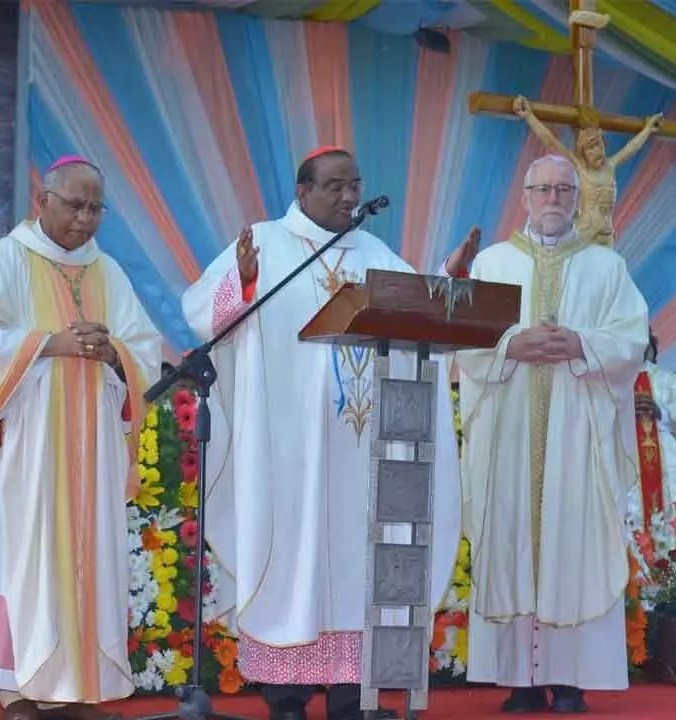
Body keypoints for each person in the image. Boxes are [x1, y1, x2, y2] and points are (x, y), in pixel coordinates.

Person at [182, 147, 464, 720]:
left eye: (354, 184)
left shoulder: (375, 251)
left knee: (359, 559)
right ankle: (286, 697)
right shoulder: (265, 242)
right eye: (334, 185)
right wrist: (241, 278)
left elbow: (421, 310)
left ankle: (350, 696)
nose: (348, 196)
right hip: (291, 442)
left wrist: (447, 284)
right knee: (293, 554)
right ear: (303, 190)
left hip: (363, 447)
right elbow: (204, 315)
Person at [0, 156, 160, 720]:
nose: (86, 217)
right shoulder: (3, 261)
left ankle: (76, 684)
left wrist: (114, 353)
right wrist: (50, 344)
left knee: (84, 558)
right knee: (16, 558)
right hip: (22, 446)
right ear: (42, 201)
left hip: (90, 449)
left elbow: (144, 345)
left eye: (96, 207)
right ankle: (14, 689)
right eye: (76, 204)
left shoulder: (108, 272)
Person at [457, 154, 648, 713]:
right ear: (524, 197)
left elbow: (630, 338)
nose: (553, 199)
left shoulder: (605, 267)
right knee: (512, 537)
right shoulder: (492, 263)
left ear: (577, 199)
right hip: (510, 429)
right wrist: (508, 345)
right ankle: (519, 680)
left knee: (574, 538)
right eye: (542, 189)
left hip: (577, 432)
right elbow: (464, 336)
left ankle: (570, 681)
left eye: (564, 190)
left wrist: (583, 345)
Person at [512, 96, 661, 246]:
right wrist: (529, 116)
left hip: (606, 233)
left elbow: (631, 148)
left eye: (600, 145)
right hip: (584, 234)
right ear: (583, 151)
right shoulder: (578, 167)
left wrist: (647, 130)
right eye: (591, 147)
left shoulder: (610, 166)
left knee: (608, 267)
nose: (598, 151)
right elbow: (550, 141)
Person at [631, 334, 676, 534]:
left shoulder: (669, 380)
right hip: (624, 461)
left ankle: (673, 564)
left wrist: (663, 413)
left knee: (672, 521)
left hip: (667, 463)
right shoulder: (606, 380)